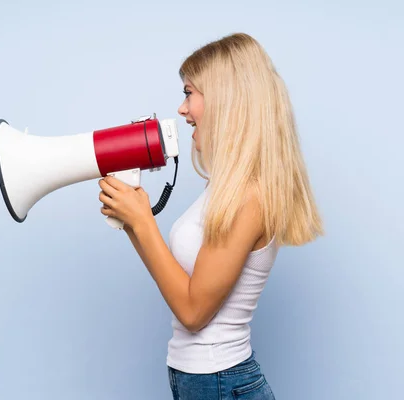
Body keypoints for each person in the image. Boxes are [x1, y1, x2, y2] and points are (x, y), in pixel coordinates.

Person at [98, 32, 323, 400]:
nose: (182, 109)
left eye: (189, 93)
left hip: (220, 382)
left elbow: (193, 311)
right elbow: (182, 278)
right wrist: (131, 221)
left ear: (225, 100)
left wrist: (142, 221)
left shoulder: (249, 196)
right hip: (203, 381)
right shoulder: (226, 186)